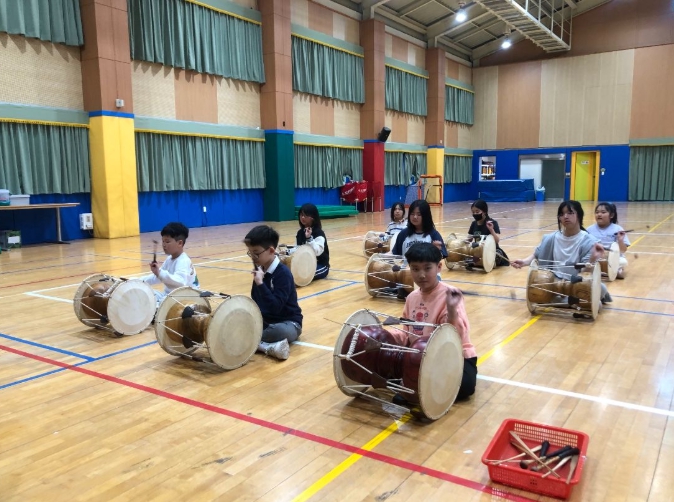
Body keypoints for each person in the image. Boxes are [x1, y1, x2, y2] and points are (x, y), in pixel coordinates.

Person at [390, 243, 477, 403]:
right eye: (415, 269)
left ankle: (415, 384)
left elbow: (456, 337)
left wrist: (451, 310)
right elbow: (407, 333)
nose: (421, 275)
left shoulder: (450, 295)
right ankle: (421, 384)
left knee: (465, 385)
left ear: (439, 267)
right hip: (420, 355)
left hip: (452, 353)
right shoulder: (411, 298)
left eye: (427, 268)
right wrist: (387, 336)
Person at [511, 200, 611, 303]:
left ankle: (564, 301)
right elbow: (537, 254)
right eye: (562, 214)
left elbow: (585, 273)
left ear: (579, 215)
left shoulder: (589, 241)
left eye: (570, 213)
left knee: (600, 288)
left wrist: (592, 259)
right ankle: (572, 302)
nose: (565, 216)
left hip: (575, 284)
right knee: (537, 287)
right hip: (552, 283)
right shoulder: (550, 238)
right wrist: (524, 262)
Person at [244, 225, 303, 361]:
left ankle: (256, 343)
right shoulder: (260, 270)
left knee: (276, 331)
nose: (253, 257)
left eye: (256, 253)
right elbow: (256, 300)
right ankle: (264, 345)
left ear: (271, 251)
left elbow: (275, 307)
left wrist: (261, 284)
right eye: (250, 253)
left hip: (289, 324)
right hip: (266, 322)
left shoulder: (283, 273)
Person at [142, 222, 198, 304]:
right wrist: (137, 281)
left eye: (167, 242)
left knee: (156, 303)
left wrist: (159, 273)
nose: (164, 245)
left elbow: (180, 282)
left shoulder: (183, 260)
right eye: (163, 241)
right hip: (170, 296)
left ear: (180, 243)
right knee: (145, 293)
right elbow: (158, 277)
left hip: (185, 299)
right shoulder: (169, 259)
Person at [586, 202, 629, 279]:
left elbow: (623, 250)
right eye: (597, 212)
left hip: (613, 258)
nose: (599, 214)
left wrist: (620, 240)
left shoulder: (618, 229)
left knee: (623, 262)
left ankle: (607, 270)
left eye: (603, 212)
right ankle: (607, 270)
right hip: (596, 257)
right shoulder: (589, 229)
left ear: (611, 215)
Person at [292, 203, 330, 281]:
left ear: (313, 217)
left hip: (320, 265)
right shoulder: (300, 233)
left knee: (301, 275)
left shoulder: (319, 233)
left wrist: (309, 238)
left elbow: (317, 252)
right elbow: (298, 249)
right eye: (301, 215)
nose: (302, 217)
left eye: (305, 215)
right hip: (306, 265)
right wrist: (286, 252)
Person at [466, 199, 509, 268]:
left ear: (484, 212)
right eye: (473, 212)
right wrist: (464, 242)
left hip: (491, 250)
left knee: (496, 255)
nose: (475, 214)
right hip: (478, 251)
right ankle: (479, 262)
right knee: (466, 258)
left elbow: (497, 240)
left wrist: (491, 230)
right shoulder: (473, 224)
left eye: (477, 212)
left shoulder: (492, 223)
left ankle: (481, 262)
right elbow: (468, 240)